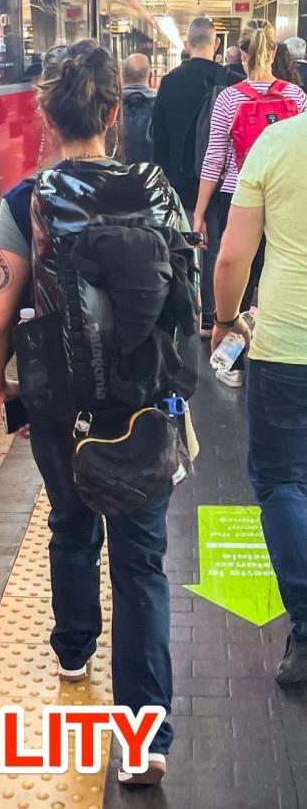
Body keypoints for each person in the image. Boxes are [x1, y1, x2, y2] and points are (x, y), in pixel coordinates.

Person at [0, 40, 178, 786]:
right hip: (143, 401)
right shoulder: (156, 190)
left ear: (46, 119)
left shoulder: (25, 203)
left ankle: (72, 651)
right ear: (115, 113)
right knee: (142, 561)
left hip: (62, 404)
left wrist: (6, 393)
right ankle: (149, 740)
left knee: (69, 521)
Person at [212, 106, 307, 685]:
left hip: (285, 346)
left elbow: (231, 257)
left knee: (282, 482)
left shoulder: (276, 143)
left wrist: (224, 320)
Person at [194, 22, 306, 388]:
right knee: (269, 274)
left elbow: (214, 159)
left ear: (242, 53)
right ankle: (266, 342)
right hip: (284, 197)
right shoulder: (297, 96)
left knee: (238, 276)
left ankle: (233, 363)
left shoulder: (229, 98)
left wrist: (199, 212)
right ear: (274, 52)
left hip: (236, 197)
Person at [151, 16, 243, 336]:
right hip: (219, 182)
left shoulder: (169, 82)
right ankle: (212, 317)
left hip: (177, 182)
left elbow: (157, 137)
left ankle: (179, 316)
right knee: (216, 249)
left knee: (178, 247)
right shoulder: (231, 80)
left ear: (187, 44)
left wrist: (162, 180)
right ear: (215, 43)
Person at [120, 53, 156, 164]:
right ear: (151, 77)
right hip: (151, 176)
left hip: (116, 175)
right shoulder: (160, 105)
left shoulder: (110, 106)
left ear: (122, 75)